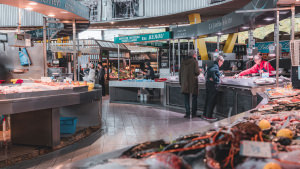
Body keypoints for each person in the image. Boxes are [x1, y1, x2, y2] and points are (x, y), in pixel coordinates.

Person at [179, 50, 200, 118]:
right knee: (194, 98)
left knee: (186, 98)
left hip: (185, 83)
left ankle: (187, 113)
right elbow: (197, 72)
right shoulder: (194, 62)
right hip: (193, 83)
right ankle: (193, 113)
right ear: (193, 55)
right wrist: (200, 71)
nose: (196, 55)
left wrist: (181, 82)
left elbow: (180, 73)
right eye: (195, 54)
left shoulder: (183, 62)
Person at [203, 56, 224, 121]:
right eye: (222, 62)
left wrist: (213, 77)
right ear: (219, 61)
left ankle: (205, 114)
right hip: (212, 86)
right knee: (211, 101)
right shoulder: (215, 66)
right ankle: (209, 116)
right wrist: (217, 79)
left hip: (208, 84)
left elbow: (206, 72)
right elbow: (212, 71)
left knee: (208, 100)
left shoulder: (212, 64)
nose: (222, 64)